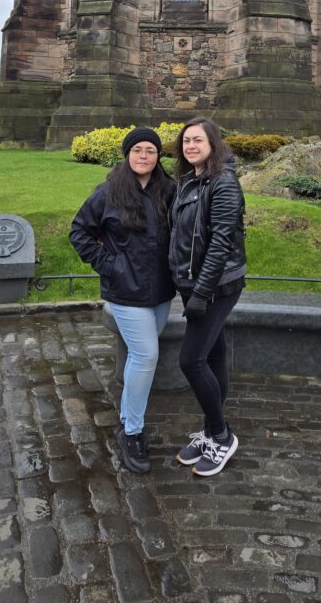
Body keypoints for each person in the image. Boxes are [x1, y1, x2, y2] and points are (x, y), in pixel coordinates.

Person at [69, 127, 175, 473]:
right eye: (138, 150)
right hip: (126, 292)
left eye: (150, 150)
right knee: (146, 355)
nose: (144, 156)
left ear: (158, 156)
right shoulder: (109, 192)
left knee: (139, 356)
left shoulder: (168, 191)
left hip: (160, 291)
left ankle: (128, 415)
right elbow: (80, 232)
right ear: (127, 154)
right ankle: (132, 431)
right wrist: (109, 265)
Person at [168, 117, 246, 477]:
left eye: (198, 140)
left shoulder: (224, 183)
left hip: (216, 286)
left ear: (213, 143)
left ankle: (221, 435)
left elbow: (220, 244)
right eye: (186, 141)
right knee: (213, 354)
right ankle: (212, 430)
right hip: (193, 284)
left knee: (191, 361)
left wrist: (201, 292)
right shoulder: (187, 182)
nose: (191, 146)